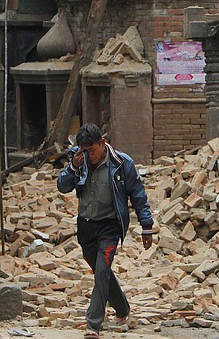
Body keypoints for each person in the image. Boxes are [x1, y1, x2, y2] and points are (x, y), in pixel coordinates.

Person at [57, 124, 154, 339]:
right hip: (86, 226)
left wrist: (147, 226)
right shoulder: (78, 159)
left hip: (109, 226)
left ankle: (93, 325)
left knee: (102, 270)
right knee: (101, 271)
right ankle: (122, 309)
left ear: (103, 143)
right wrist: (73, 167)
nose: (89, 155)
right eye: (84, 150)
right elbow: (62, 186)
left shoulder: (121, 164)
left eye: (92, 150)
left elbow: (138, 195)